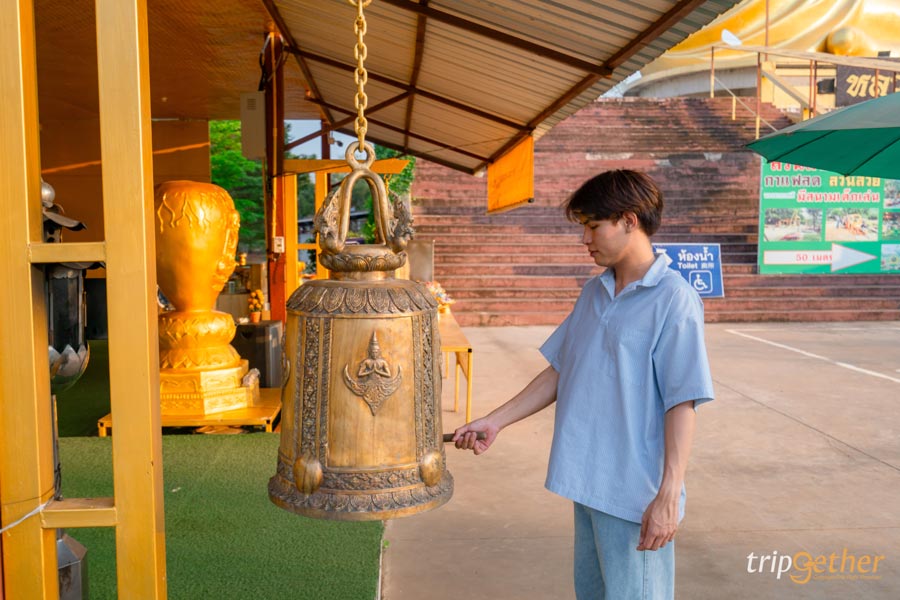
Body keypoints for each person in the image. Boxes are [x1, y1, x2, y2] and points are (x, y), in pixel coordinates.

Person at [453, 169, 714, 599]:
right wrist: (495, 421)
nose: (585, 239)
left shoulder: (673, 298)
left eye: (593, 226)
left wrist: (668, 494)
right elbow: (562, 370)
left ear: (628, 220)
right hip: (588, 484)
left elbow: (681, 401)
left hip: (635, 495)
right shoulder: (595, 292)